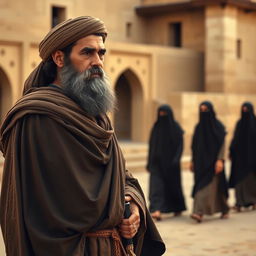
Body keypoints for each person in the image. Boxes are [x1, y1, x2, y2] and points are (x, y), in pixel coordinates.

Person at [0, 16, 165, 256]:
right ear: (59, 58)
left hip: (112, 247)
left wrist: (133, 204)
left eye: (101, 53)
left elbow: (120, 176)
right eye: (87, 53)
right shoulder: (37, 117)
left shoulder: (96, 115)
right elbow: (47, 207)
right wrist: (116, 208)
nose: (97, 62)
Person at [190, 101, 229, 223]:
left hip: (213, 163)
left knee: (210, 187)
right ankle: (224, 209)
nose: (203, 112)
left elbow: (222, 145)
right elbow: (194, 146)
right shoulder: (198, 127)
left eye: (205, 109)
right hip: (201, 163)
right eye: (201, 109)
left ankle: (198, 212)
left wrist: (220, 160)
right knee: (208, 187)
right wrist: (192, 160)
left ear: (211, 110)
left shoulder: (218, 127)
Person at [146, 104, 186, 221]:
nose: (162, 115)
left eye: (164, 113)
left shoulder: (176, 127)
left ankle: (177, 207)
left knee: (173, 187)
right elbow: (151, 146)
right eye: (160, 113)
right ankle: (156, 210)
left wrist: (176, 159)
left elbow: (180, 145)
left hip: (171, 164)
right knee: (156, 187)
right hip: (156, 164)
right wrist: (149, 162)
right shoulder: (156, 127)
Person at [229, 102, 256, 212]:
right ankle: (239, 202)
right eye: (243, 110)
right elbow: (235, 139)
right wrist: (231, 151)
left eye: (247, 110)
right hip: (239, 158)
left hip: (253, 159)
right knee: (239, 181)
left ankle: (253, 201)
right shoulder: (239, 124)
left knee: (252, 181)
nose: (245, 112)